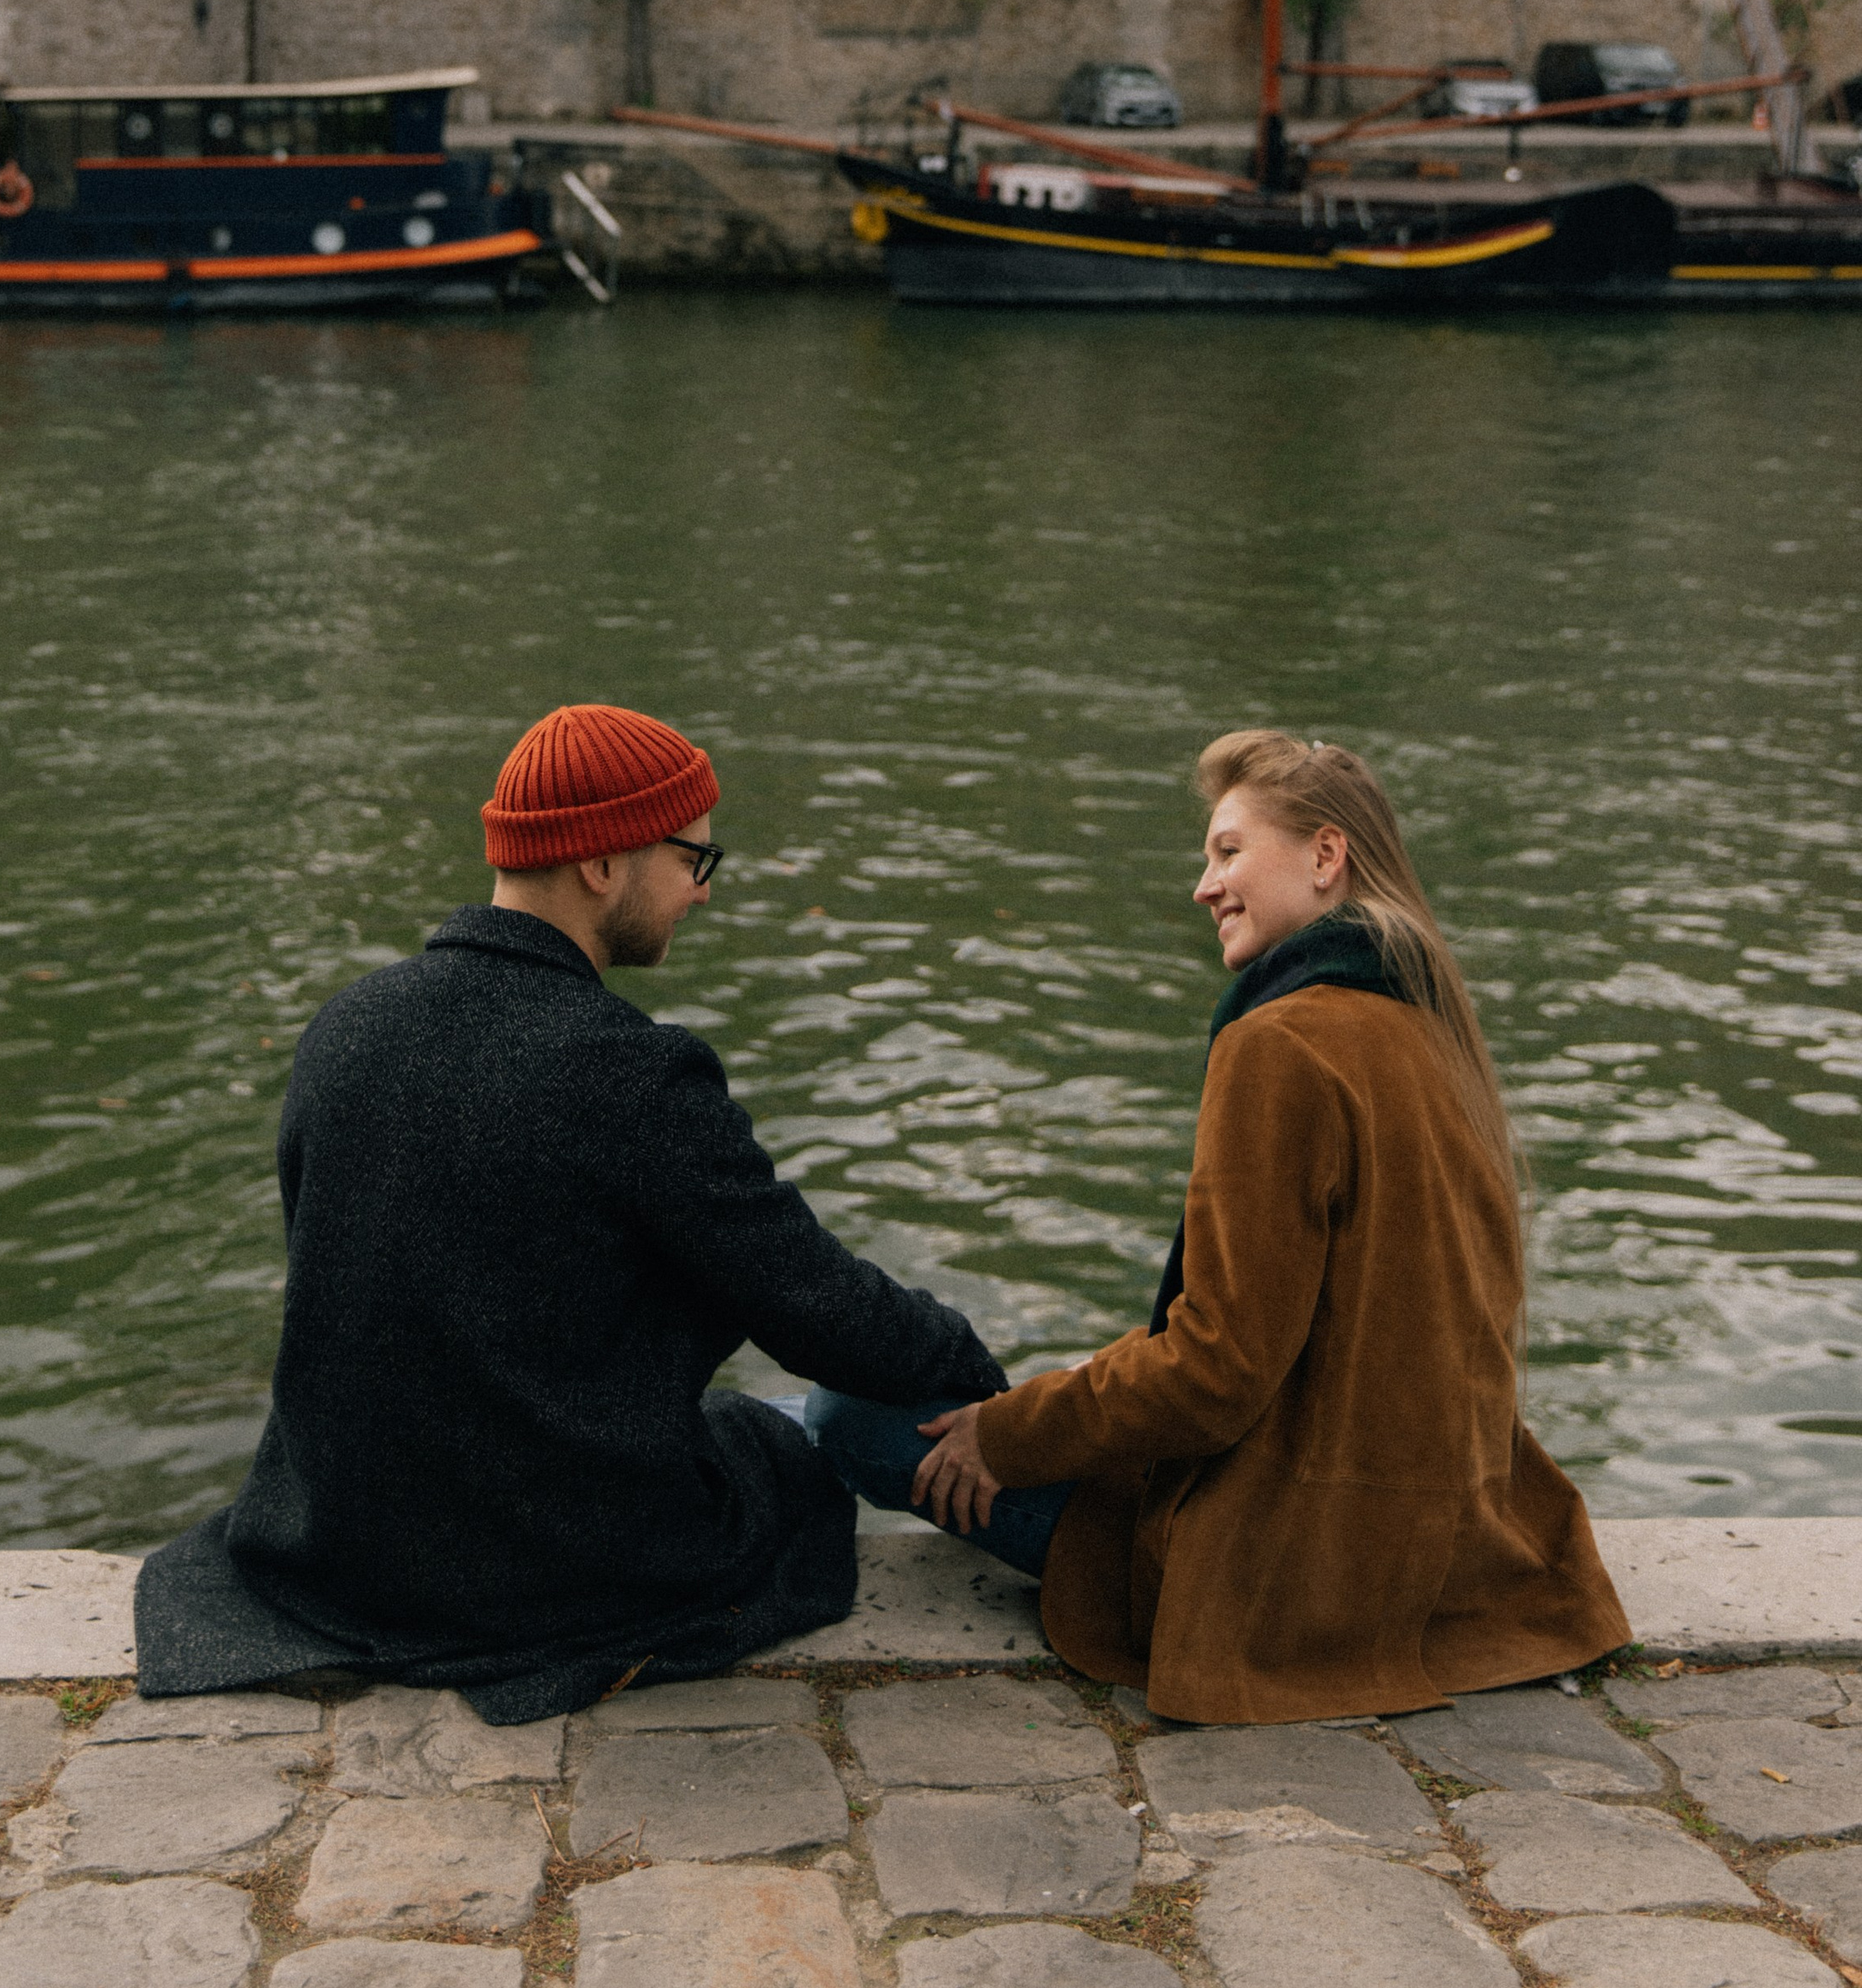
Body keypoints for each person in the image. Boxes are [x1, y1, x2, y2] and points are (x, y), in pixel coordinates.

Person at [133, 701, 1007, 1720]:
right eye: (692, 859)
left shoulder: (345, 1028)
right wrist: (983, 1382)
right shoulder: (629, 1072)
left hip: (340, 1546)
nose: (699, 891)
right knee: (805, 1442)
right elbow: (819, 1305)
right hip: (540, 1567)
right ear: (602, 864)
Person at [811, 728, 1629, 1723]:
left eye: (1229, 850)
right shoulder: (1430, 1026)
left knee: (848, 1419)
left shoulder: (1280, 1041)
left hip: (1298, 1558)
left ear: (1326, 856)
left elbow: (1215, 1371)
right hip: (1453, 1529)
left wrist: (1009, 1432)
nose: (1204, 885)